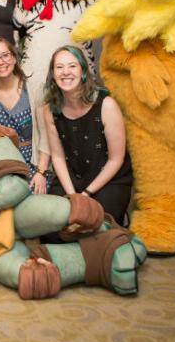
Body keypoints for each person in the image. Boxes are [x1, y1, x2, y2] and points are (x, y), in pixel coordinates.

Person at [42, 46, 133, 225]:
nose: (65, 72)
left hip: (107, 178)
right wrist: (73, 196)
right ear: (53, 74)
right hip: (72, 177)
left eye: (72, 66)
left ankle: (119, 215)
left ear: (83, 70)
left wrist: (86, 195)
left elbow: (116, 159)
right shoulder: (50, 108)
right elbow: (58, 157)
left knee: (94, 224)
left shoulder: (106, 105)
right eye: (59, 67)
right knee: (52, 227)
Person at [0, 37, 48, 193]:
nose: (1, 62)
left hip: (34, 164)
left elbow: (46, 137)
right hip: (1, 166)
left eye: (5, 55)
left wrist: (41, 172)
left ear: (14, 57)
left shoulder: (34, 90)